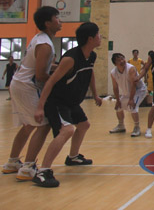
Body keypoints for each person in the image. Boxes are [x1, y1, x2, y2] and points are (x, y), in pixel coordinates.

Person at [32, 22, 103, 188]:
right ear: (90, 38)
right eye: (98, 34)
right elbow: (50, 81)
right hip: (57, 102)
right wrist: (40, 107)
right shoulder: (70, 59)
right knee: (67, 130)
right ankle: (43, 171)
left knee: (84, 125)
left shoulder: (91, 56)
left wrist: (95, 94)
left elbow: (90, 73)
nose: (101, 37)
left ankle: (73, 157)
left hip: (71, 102)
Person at [2, 6, 61, 181]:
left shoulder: (41, 39)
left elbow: (41, 66)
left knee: (28, 125)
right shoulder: (45, 45)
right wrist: (59, 78)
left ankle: (12, 162)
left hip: (20, 83)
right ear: (48, 23)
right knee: (43, 125)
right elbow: (41, 74)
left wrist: (60, 67)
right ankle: (28, 167)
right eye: (57, 18)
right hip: (27, 85)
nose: (60, 21)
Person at [109, 53, 148, 137]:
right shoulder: (113, 73)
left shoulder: (131, 68)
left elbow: (134, 84)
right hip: (127, 92)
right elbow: (115, 87)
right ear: (115, 64)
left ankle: (137, 127)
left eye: (122, 58)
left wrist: (131, 99)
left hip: (139, 90)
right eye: (119, 60)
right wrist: (117, 100)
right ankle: (121, 126)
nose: (122, 61)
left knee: (132, 107)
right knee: (118, 107)